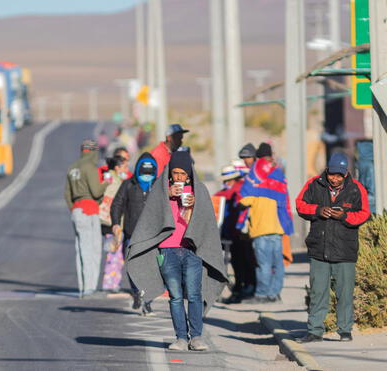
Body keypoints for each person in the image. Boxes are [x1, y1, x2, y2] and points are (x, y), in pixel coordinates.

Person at [126, 151, 228, 352]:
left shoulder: (199, 191)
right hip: (168, 250)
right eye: (175, 173)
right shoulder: (161, 190)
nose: (179, 177)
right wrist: (167, 196)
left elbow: (207, 222)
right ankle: (181, 337)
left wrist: (193, 206)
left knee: (194, 295)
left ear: (189, 173)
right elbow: (151, 219)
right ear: (170, 173)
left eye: (183, 173)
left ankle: (196, 337)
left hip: (192, 251)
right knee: (174, 295)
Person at [295, 153, 370, 343]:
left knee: (344, 293)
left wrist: (343, 216)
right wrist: (317, 211)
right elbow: (300, 204)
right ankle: (314, 331)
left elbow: (364, 214)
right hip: (318, 249)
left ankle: (345, 331)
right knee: (318, 292)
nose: (335, 179)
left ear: (346, 173)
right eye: (332, 175)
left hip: (345, 251)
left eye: (339, 175)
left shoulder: (356, 188)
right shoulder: (314, 184)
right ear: (327, 170)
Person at [240, 143, 294, 304]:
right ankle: (274, 294)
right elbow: (285, 201)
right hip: (277, 228)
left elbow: (244, 199)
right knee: (277, 264)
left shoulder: (255, 178)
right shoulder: (279, 176)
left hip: (261, 229)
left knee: (263, 264)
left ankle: (262, 295)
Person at [111, 152, 159, 315]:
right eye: (143, 172)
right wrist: (116, 223)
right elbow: (117, 204)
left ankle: (148, 299)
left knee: (155, 269)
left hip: (154, 237)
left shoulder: (160, 186)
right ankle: (136, 292)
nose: (146, 176)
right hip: (132, 234)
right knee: (132, 267)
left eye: (149, 173)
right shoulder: (128, 184)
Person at [65, 140, 109, 297]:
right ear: (93, 152)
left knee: (80, 249)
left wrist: (74, 208)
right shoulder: (89, 167)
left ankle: (82, 286)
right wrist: (106, 183)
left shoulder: (72, 168)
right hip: (89, 210)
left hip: (76, 210)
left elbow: (67, 194)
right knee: (93, 249)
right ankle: (89, 287)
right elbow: (96, 192)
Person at [214, 165, 255, 303]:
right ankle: (239, 291)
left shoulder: (238, 189)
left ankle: (240, 291)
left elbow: (224, 196)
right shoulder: (233, 189)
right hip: (234, 233)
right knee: (239, 263)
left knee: (241, 264)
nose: (226, 183)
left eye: (228, 180)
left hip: (239, 233)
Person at [99, 155, 130, 293]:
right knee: (114, 254)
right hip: (111, 223)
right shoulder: (112, 180)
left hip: (113, 222)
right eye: (124, 166)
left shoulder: (116, 178)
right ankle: (110, 283)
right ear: (117, 167)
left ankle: (113, 281)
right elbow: (111, 200)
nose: (127, 169)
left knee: (116, 254)